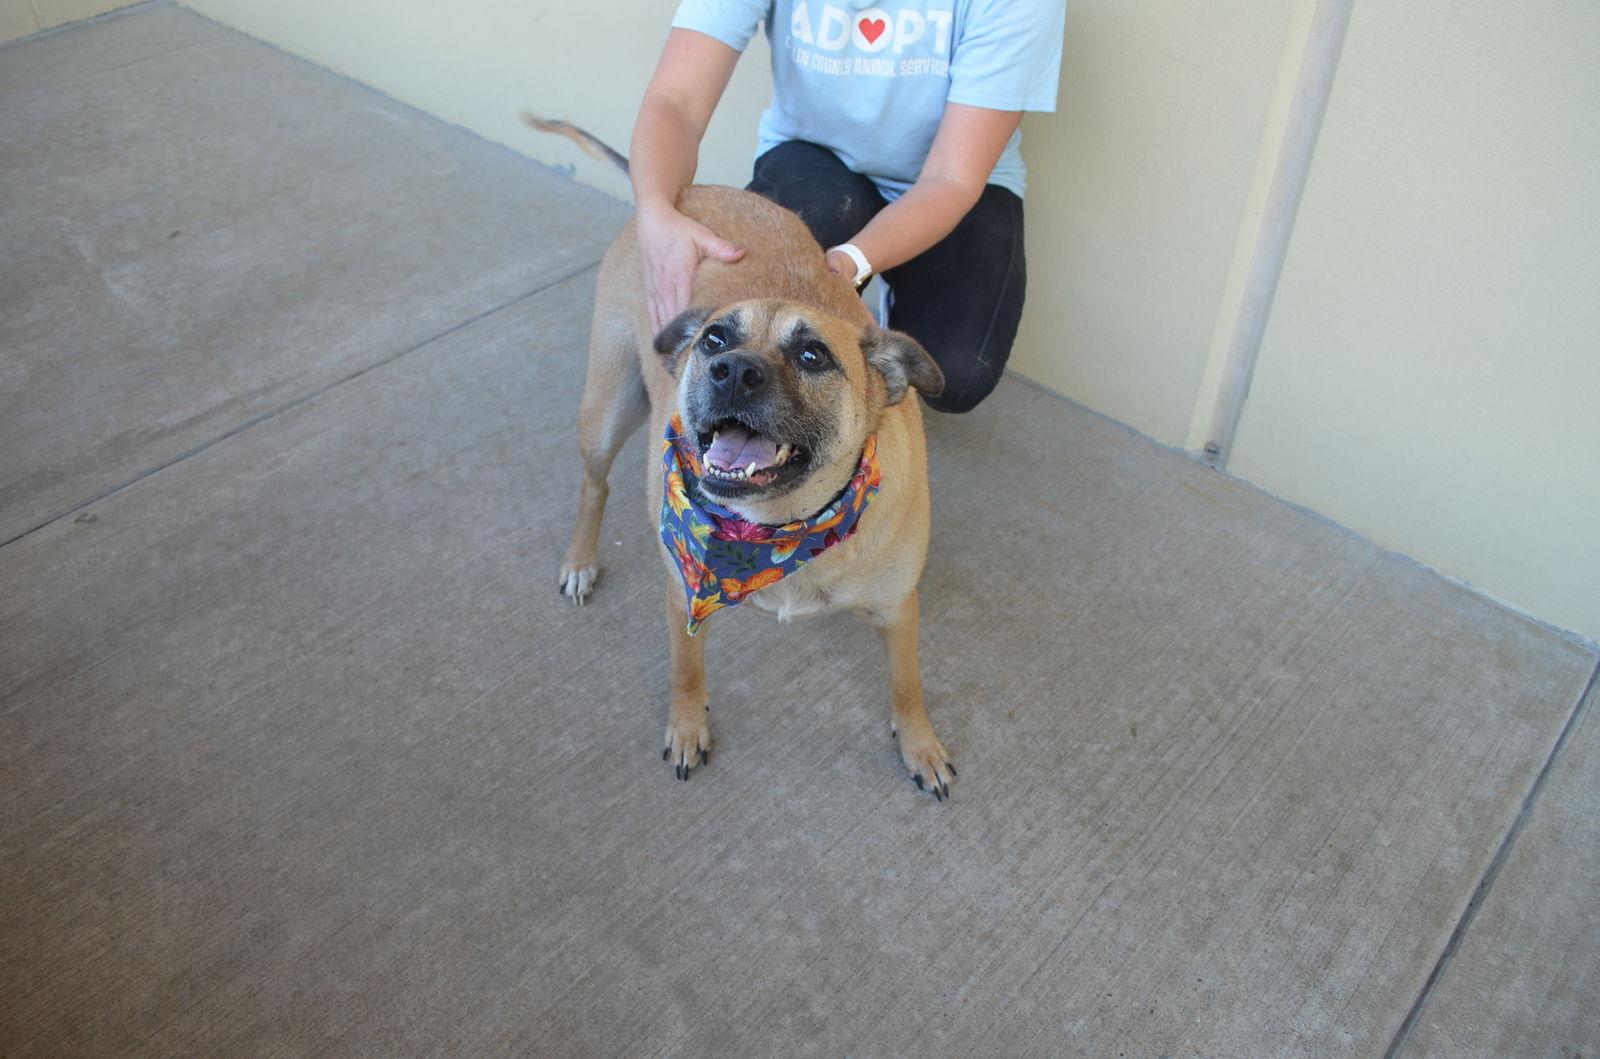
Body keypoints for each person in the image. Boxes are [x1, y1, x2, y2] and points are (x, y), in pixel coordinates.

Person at [629, 0, 1067, 414]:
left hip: (952, 180)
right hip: (816, 158)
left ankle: (898, 292)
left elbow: (950, 178)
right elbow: (676, 102)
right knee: (758, 299)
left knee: (957, 374)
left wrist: (852, 262)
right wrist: (655, 211)